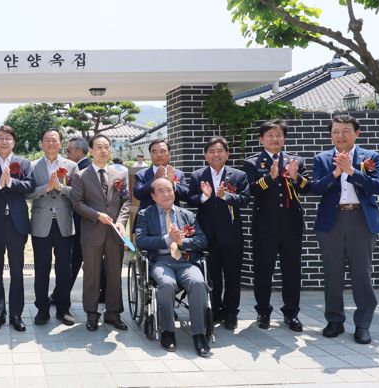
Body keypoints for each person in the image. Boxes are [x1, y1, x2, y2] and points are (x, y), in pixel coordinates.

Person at [310, 115, 379, 344]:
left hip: (361, 220)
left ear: (357, 133)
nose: (339, 136)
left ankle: (363, 325)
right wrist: (335, 173)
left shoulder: (371, 157)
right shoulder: (322, 158)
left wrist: (353, 171)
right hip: (331, 222)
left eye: (345, 131)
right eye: (335, 131)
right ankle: (334, 320)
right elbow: (315, 188)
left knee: (361, 274)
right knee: (332, 274)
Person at [243, 120, 310, 331]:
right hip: (265, 227)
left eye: (279, 135)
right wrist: (270, 178)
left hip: (291, 226)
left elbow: (307, 187)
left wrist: (295, 176)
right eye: (270, 135)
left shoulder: (296, 160)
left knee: (292, 271)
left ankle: (291, 314)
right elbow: (251, 190)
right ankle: (263, 312)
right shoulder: (252, 163)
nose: (275, 139)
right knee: (263, 271)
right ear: (261, 139)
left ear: (284, 138)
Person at [135, 177, 210, 357]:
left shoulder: (188, 215)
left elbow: (202, 240)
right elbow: (141, 240)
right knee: (167, 284)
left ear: (174, 193)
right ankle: (168, 331)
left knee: (198, 282)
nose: (166, 194)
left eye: (169, 190)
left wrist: (182, 241)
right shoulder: (146, 214)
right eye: (160, 191)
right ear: (153, 196)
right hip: (161, 261)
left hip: (186, 261)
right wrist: (168, 240)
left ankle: (199, 335)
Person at [187, 136, 249, 330]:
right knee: (211, 276)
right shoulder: (198, 176)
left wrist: (226, 196)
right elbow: (190, 199)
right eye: (212, 151)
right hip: (207, 235)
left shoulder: (238, 175)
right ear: (206, 155)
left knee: (232, 276)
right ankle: (214, 310)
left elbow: (245, 199)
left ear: (227, 154)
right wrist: (204, 197)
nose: (216, 154)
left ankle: (231, 313)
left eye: (220, 150)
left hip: (231, 235)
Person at [70, 134, 130, 331]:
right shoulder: (80, 175)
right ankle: (92, 314)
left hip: (114, 233)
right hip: (92, 232)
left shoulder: (119, 174)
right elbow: (77, 203)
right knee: (92, 275)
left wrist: (121, 222)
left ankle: (113, 314)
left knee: (114, 274)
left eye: (107, 147)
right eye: (99, 147)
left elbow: (126, 201)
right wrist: (96, 215)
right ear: (91, 151)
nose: (104, 151)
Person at [0, 125, 35, 332]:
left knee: (17, 271)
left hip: (16, 224)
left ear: (14, 142)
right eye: (0, 138)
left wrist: (11, 182)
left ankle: (16, 314)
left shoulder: (23, 163)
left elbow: (29, 186)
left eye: (8, 138)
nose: (4, 141)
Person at [26, 128, 77, 326]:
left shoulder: (71, 166)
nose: (51, 144)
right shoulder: (31, 166)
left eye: (54, 140)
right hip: (41, 224)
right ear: (41, 143)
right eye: (47, 140)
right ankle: (42, 309)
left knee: (64, 269)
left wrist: (61, 188)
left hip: (64, 223)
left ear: (61, 143)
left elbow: (78, 194)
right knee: (41, 268)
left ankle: (63, 308)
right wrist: (45, 188)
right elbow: (26, 193)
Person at [60, 137, 92, 302]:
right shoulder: (78, 167)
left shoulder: (85, 169)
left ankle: (62, 294)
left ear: (80, 151)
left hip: (82, 223)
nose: (66, 153)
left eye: (69, 149)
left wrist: (61, 187)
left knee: (75, 259)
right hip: (78, 221)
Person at [133, 139, 188, 211]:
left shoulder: (178, 174)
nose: (159, 155)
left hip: (172, 217)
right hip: (148, 218)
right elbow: (138, 194)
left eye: (162, 151)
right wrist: (154, 179)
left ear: (169, 153)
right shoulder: (141, 174)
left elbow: (186, 196)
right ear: (150, 155)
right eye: (154, 152)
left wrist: (172, 183)